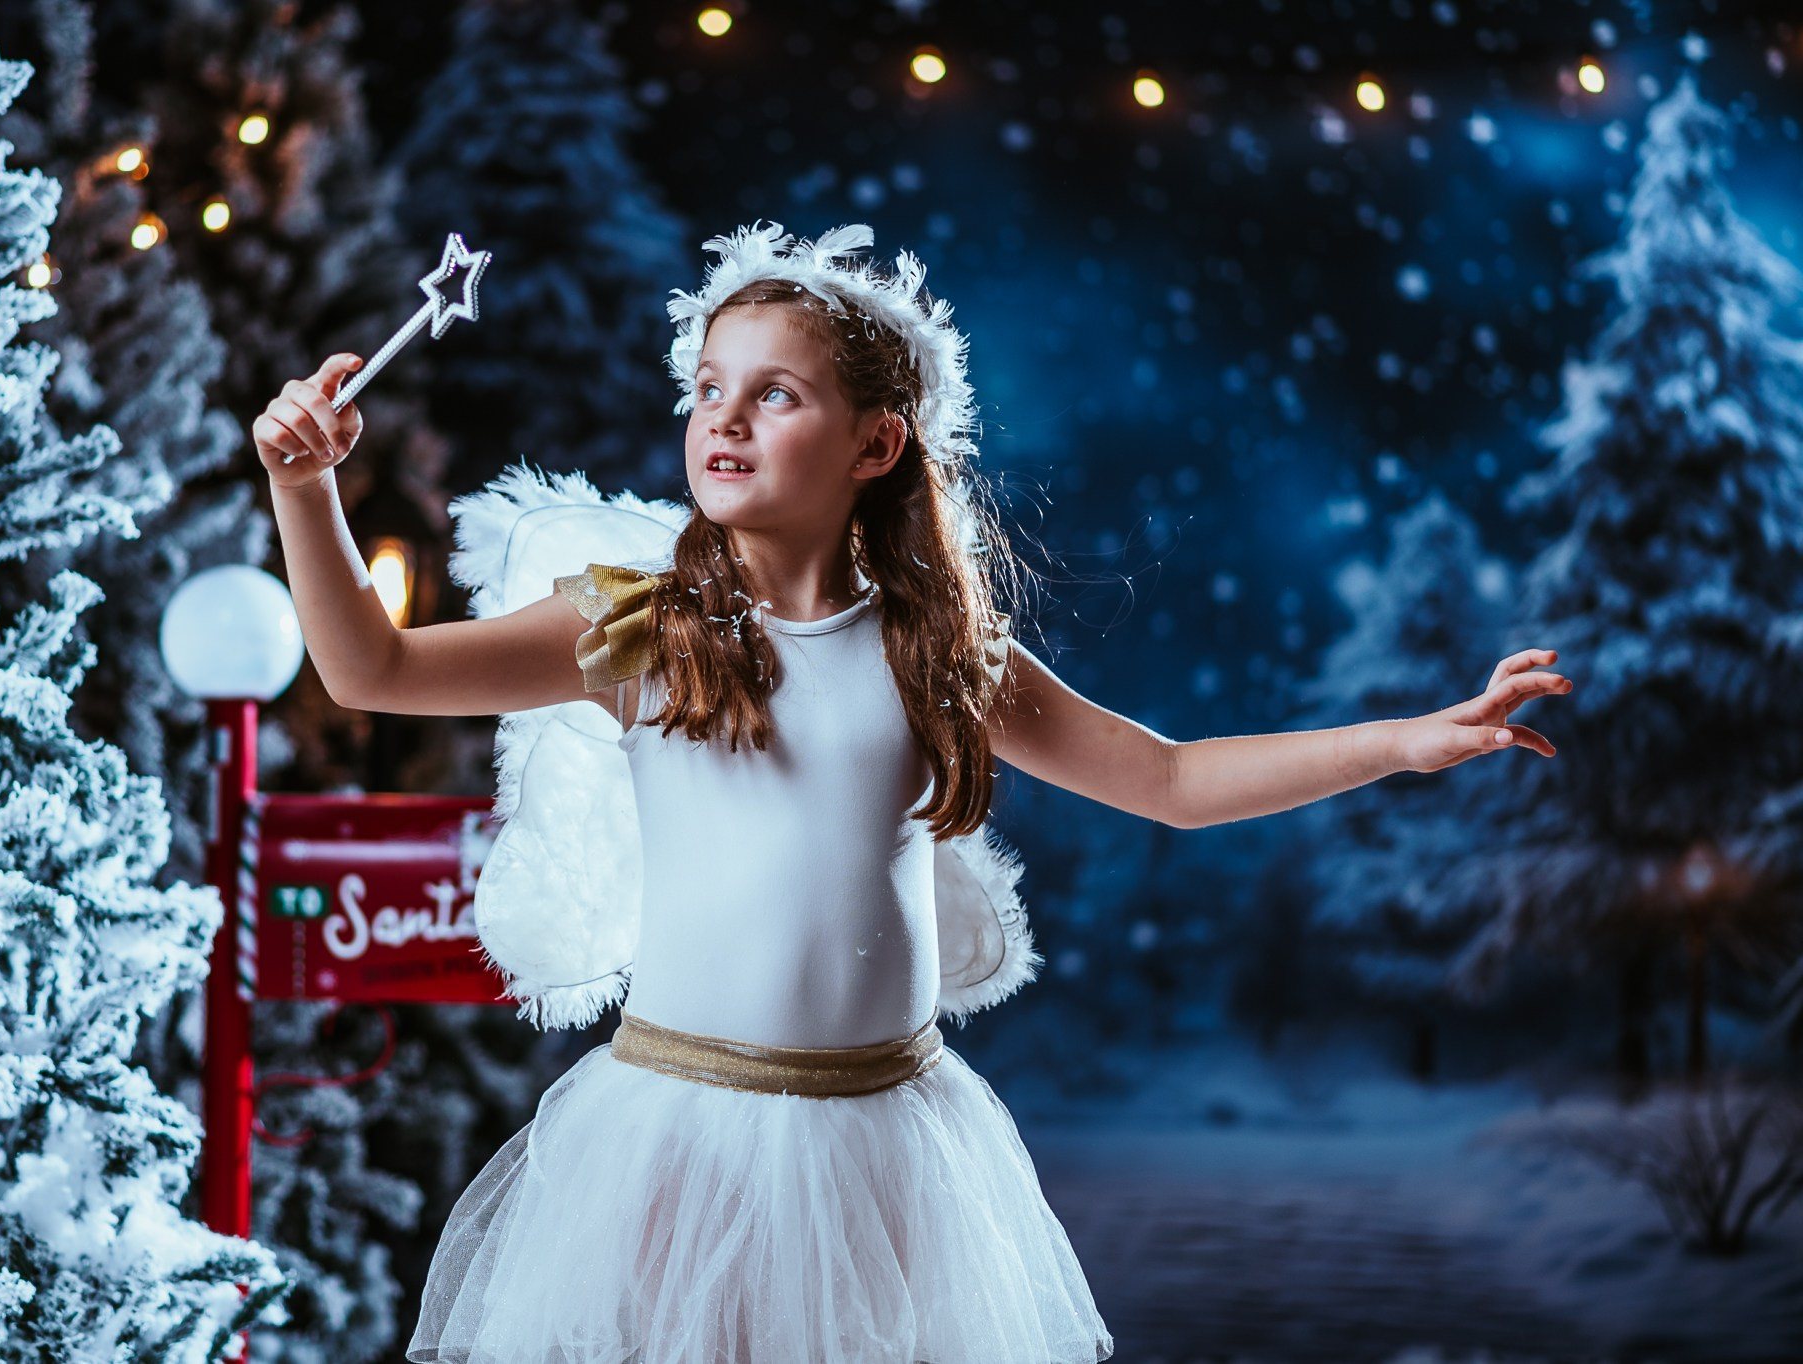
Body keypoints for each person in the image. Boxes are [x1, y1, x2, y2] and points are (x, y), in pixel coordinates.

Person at [251, 222, 1572, 1364]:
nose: (722, 416)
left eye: (775, 394)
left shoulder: (932, 652)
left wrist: (1398, 741)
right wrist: (307, 491)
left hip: (885, 1139)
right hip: (675, 1134)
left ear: (876, 442)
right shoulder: (634, 629)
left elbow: (1169, 779)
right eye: (708, 387)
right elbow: (372, 669)